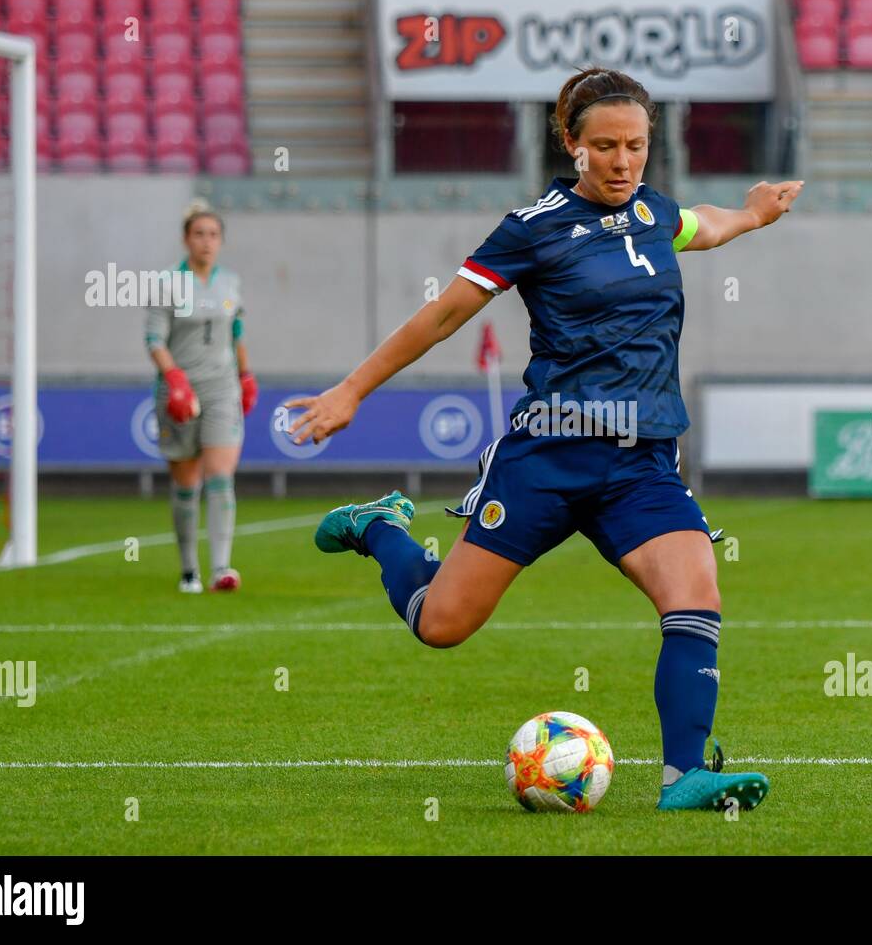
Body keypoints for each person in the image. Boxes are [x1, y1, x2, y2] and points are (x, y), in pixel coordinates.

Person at [287, 68, 803, 811]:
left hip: (641, 462)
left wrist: (753, 214)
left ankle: (683, 776)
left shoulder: (655, 213)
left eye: (635, 145)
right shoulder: (532, 227)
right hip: (550, 455)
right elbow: (441, 316)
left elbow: (706, 224)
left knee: (695, 593)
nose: (622, 161)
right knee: (441, 625)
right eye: (605, 147)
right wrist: (352, 390)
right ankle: (379, 528)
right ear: (572, 145)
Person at [145, 200, 258, 592]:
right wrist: (173, 376)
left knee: (220, 477)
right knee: (186, 482)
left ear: (221, 241)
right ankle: (189, 569)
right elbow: (154, 339)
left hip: (222, 389)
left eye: (213, 235)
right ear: (185, 239)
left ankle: (222, 568)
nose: (206, 242)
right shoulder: (167, 284)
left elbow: (237, 331)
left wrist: (245, 376)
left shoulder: (230, 282)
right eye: (199, 234)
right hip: (180, 391)